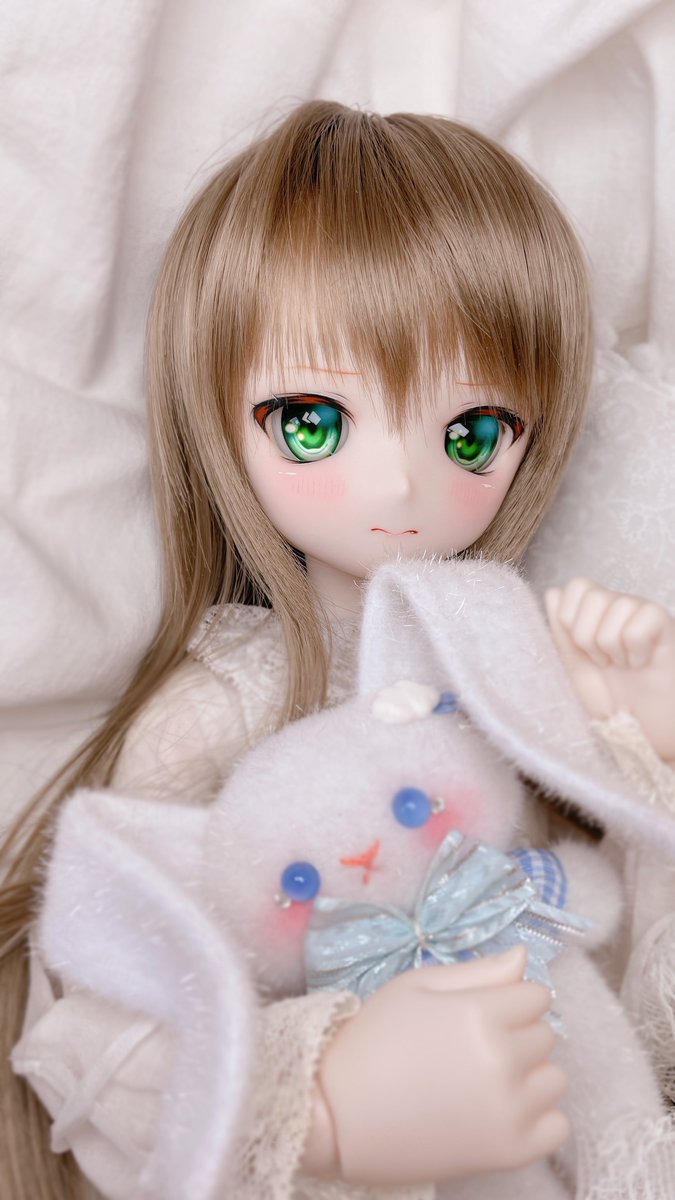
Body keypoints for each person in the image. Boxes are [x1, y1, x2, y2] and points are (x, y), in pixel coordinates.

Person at [2, 100, 674, 1200]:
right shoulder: (223, 706)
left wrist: (647, 758)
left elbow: (630, 990)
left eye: (472, 433)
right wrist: (313, 1108)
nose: (400, 485)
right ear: (218, 421)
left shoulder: (513, 664)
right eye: (312, 422)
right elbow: (101, 1013)